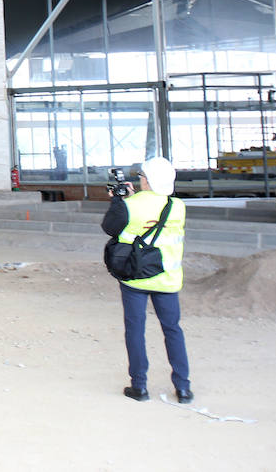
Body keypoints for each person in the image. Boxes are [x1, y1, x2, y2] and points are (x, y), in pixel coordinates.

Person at [100, 156, 193, 404]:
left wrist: (120, 200)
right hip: (167, 280)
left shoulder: (131, 205)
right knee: (173, 330)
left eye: (142, 176)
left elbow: (110, 226)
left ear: (147, 180)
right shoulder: (178, 207)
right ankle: (183, 388)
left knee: (135, 330)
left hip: (135, 279)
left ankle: (139, 387)